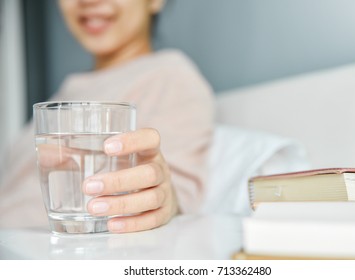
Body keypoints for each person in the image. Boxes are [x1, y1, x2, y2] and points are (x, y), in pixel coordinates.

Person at [0, 0, 214, 233]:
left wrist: (163, 199)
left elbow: (174, 197)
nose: (88, 1)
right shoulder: (64, 92)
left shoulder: (170, 76)